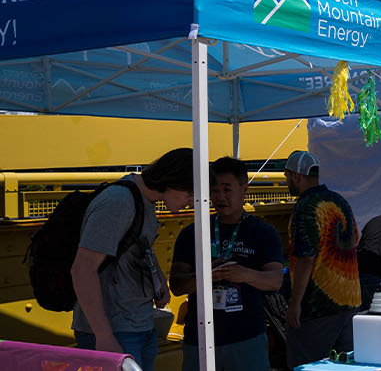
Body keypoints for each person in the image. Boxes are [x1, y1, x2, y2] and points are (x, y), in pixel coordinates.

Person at [71, 148, 194, 370]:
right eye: (191, 195)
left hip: (138, 324)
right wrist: (104, 336)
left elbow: (138, 245)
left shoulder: (145, 201)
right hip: (114, 331)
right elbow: (82, 269)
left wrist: (158, 281)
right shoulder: (119, 201)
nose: (192, 203)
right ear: (175, 181)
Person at [171, 157, 284, 371]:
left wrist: (243, 274)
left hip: (246, 338)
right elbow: (176, 285)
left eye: (226, 189)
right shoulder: (192, 233)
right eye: (214, 190)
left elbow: (275, 280)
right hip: (200, 340)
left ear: (244, 189)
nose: (220, 197)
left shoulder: (263, 233)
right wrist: (206, 277)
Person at [283, 150, 361, 368]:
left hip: (317, 307)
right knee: (345, 366)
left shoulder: (305, 206)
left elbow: (305, 259)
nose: (287, 182)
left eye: (287, 177)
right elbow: (355, 238)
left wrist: (295, 304)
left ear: (296, 176)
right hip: (349, 301)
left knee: (309, 366)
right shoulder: (339, 201)